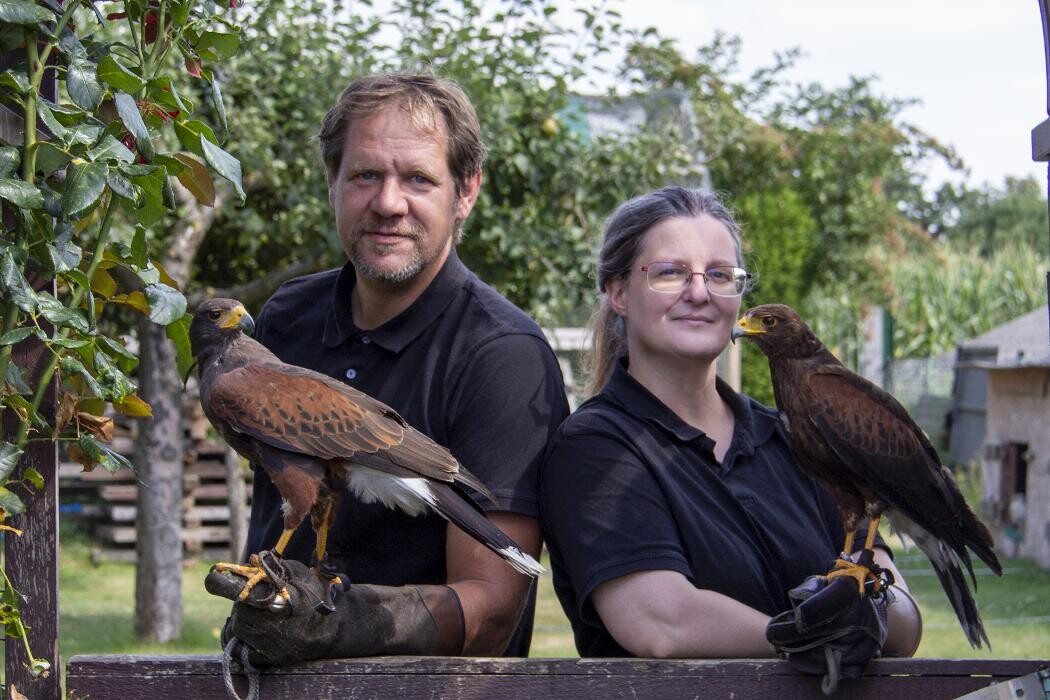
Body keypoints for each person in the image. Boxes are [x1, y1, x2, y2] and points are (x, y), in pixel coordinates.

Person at [213, 72, 569, 660]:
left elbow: (494, 609)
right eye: (365, 175)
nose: (387, 203)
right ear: (332, 181)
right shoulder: (285, 320)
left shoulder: (503, 355)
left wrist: (343, 625)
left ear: (467, 191)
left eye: (418, 179)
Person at [539, 186, 922, 659]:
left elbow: (902, 620)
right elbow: (662, 624)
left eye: (720, 275)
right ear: (618, 293)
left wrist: (876, 610)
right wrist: (812, 637)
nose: (699, 292)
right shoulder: (594, 449)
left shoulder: (794, 437)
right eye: (670, 273)